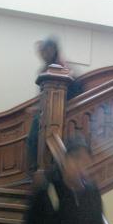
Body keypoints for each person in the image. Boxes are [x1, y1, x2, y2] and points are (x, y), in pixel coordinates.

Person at [26, 37, 82, 175]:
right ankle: (34, 170)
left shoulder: (65, 68)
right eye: (41, 52)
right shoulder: (45, 69)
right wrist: (37, 107)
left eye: (45, 51)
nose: (42, 54)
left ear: (52, 50)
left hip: (59, 112)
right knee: (34, 137)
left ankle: (38, 171)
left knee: (38, 136)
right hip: (46, 111)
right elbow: (43, 95)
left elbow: (76, 91)